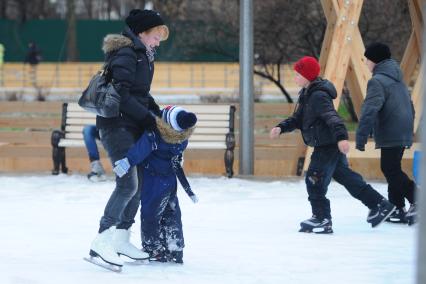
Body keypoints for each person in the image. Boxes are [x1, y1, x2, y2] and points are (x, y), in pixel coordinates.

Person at [270, 56, 396, 234]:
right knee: (348, 179)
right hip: (329, 146)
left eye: (298, 74)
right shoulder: (307, 94)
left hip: (327, 146)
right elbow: (298, 119)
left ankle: (322, 219)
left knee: (314, 181)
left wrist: (342, 138)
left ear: (307, 76)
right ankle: (380, 204)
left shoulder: (318, 96)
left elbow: (333, 117)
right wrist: (281, 127)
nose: (295, 77)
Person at [88, 9, 169, 269]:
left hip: (132, 124)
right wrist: (147, 118)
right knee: (127, 184)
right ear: (142, 33)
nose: (157, 42)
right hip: (115, 126)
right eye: (155, 36)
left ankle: (122, 238)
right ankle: (101, 241)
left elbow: (141, 93)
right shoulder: (126, 54)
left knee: (139, 182)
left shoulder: (143, 55)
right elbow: (121, 95)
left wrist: (157, 114)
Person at [113, 105, 197, 264]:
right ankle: (175, 247)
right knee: (171, 212)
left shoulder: (155, 135)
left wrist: (127, 162)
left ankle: (153, 248)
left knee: (151, 213)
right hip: (170, 180)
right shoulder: (181, 139)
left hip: (153, 179)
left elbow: (141, 149)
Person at [356, 42, 416, 225]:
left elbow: (369, 110)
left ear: (375, 60)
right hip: (402, 129)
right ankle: (397, 207)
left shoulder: (377, 81)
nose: (366, 63)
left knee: (389, 169)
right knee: (393, 168)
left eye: (367, 59)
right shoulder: (398, 79)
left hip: (392, 129)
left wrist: (361, 136)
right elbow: (410, 106)